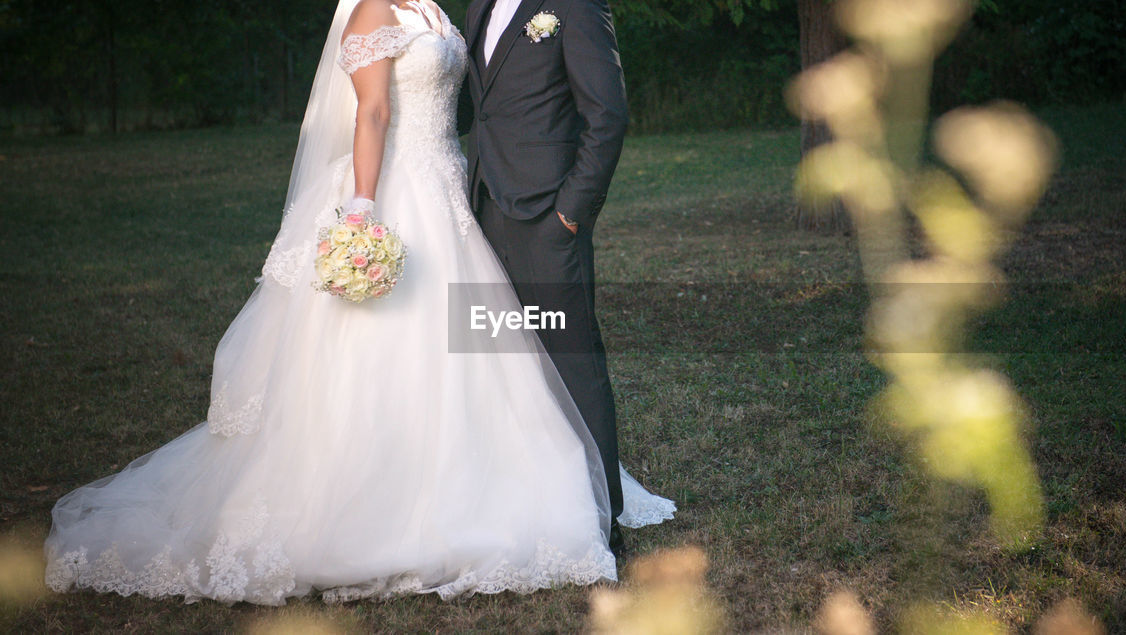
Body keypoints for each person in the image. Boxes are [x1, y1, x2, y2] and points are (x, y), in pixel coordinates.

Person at [44, 0, 673, 605]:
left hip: (466, 195)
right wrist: (364, 210)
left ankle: (566, 499)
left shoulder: (440, 10)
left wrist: (565, 208)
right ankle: (406, 505)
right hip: (408, 196)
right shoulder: (376, 10)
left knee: (520, 352)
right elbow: (370, 113)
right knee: (410, 352)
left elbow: (553, 104)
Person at [463, 0, 630, 551]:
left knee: (573, 359)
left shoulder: (576, 5)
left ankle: (605, 516)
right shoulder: (478, 7)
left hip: (548, 218)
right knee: (504, 364)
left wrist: (571, 211)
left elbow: (607, 113)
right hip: (485, 209)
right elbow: (482, 108)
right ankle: (529, 498)